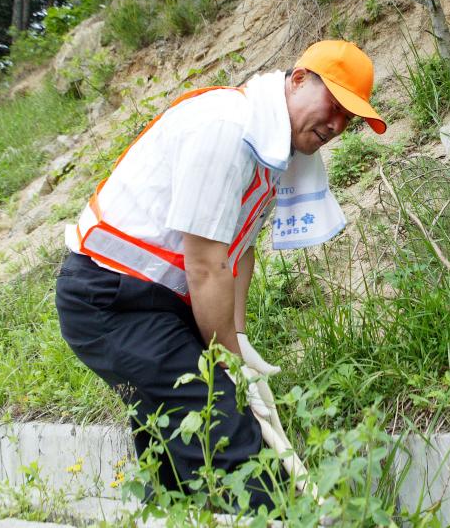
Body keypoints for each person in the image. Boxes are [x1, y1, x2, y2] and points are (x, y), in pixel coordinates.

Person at [54, 40, 386, 512]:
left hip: (153, 301)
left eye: (348, 118)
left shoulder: (271, 147)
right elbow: (206, 266)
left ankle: (174, 511)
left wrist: (240, 334)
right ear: (296, 81)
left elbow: (240, 248)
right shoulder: (229, 128)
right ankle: (279, 516)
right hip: (111, 299)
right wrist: (231, 365)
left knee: (176, 450)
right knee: (228, 429)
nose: (336, 125)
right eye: (333, 104)